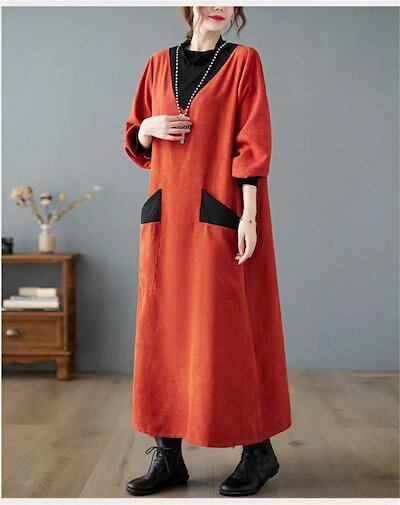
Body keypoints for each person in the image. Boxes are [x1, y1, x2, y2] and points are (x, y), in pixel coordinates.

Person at [123, 6, 292, 497]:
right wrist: (148, 127)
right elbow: (136, 138)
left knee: (227, 332)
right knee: (163, 329)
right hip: (167, 215)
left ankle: (258, 452)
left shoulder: (243, 61)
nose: (220, 4)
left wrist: (249, 216)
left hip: (221, 210)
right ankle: (168, 457)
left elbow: (252, 142)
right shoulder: (158, 63)